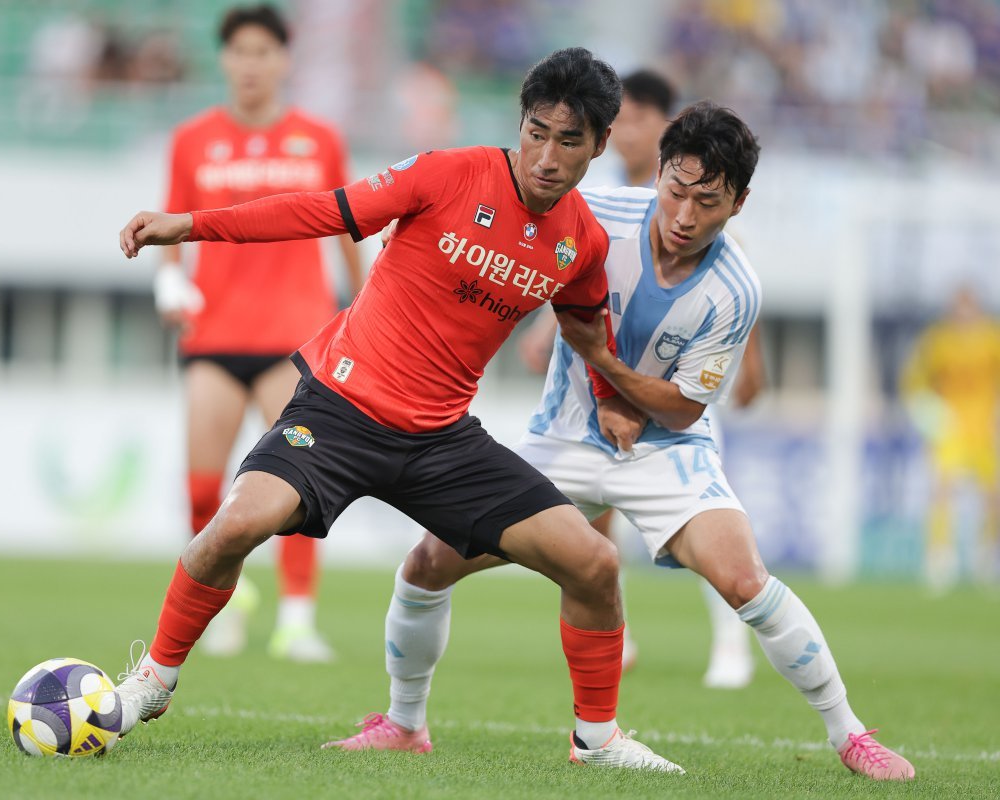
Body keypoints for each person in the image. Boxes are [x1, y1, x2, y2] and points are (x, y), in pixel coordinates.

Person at [114, 47, 683, 773]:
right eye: (536, 132)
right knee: (234, 526)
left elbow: (585, 328)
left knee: (596, 564)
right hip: (342, 408)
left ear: (601, 144)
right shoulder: (446, 174)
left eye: (569, 141)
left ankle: (596, 740)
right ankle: (153, 683)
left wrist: (611, 399)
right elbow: (322, 210)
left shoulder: (581, 241)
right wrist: (189, 225)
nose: (546, 156)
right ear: (520, 124)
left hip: (443, 440)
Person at [327, 102, 915, 782]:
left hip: (666, 452)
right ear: (659, 174)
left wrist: (606, 368)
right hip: (562, 441)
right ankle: (404, 724)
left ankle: (849, 734)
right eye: (676, 190)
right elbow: (516, 239)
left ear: (739, 203)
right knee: (429, 563)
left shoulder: (735, 290)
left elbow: (687, 409)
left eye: (708, 201)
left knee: (746, 580)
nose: (685, 215)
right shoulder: (597, 211)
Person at [519, 68, 764, 687]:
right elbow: (581, 278)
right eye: (617, 121)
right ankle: (614, 634)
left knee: (716, 532)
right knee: (591, 527)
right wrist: (549, 335)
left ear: (662, 128)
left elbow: (728, 293)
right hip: (593, 404)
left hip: (678, 400)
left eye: (634, 120)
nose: (623, 132)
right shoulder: (600, 198)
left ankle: (731, 645)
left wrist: (751, 364)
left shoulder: (705, 198)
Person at [153, 4, 364, 662]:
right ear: (224, 59)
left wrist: (363, 304)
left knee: (298, 482)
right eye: (239, 51)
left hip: (292, 336)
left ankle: (297, 620)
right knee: (201, 487)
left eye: (263, 52)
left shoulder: (319, 138)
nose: (250, 64)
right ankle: (224, 602)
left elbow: (348, 226)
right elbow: (173, 227)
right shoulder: (191, 139)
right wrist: (168, 281)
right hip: (213, 334)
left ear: (284, 60)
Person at [902, 287, 1000, 590]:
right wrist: (930, 413)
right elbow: (914, 381)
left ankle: (987, 556)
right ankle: (940, 557)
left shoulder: (992, 340)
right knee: (942, 490)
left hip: (985, 430)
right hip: (951, 430)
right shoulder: (939, 341)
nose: (963, 316)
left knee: (992, 495)